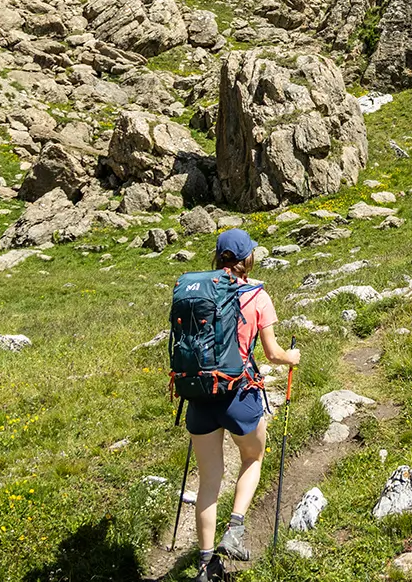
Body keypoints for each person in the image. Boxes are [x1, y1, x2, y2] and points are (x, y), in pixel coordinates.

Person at [186, 228, 299, 580]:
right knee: (252, 456)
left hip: (200, 395)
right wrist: (291, 357)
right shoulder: (257, 295)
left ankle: (206, 566)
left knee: (208, 480)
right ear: (247, 258)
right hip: (239, 393)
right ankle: (235, 529)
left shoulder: (196, 291)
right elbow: (272, 353)